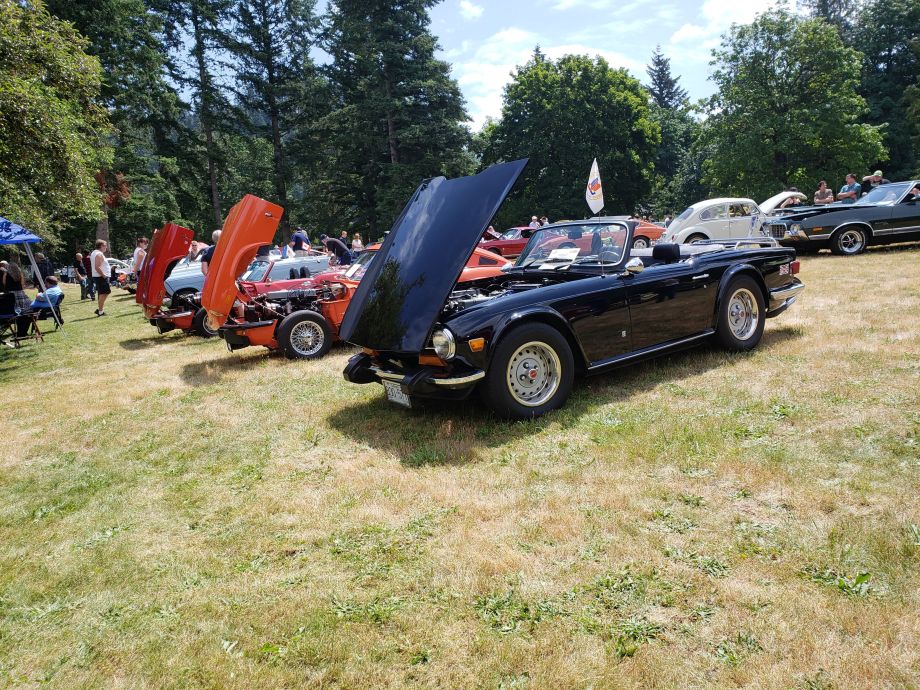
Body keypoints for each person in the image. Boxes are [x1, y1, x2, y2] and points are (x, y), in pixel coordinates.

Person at [0, 261, 32, 337]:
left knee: (15, 312)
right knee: (25, 312)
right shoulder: (20, 274)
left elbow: (4, 284)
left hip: (11, 296)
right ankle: (22, 332)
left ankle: (16, 330)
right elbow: (23, 285)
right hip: (21, 294)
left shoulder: (6, 274)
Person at [90, 239, 111, 316]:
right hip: (101, 277)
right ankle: (100, 311)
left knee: (102, 293)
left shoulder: (94, 253)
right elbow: (97, 267)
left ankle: (100, 310)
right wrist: (104, 275)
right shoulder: (99, 254)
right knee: (105, 293)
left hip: (99, 276)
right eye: (105, 246)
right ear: (101, 246)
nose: (106, 247)